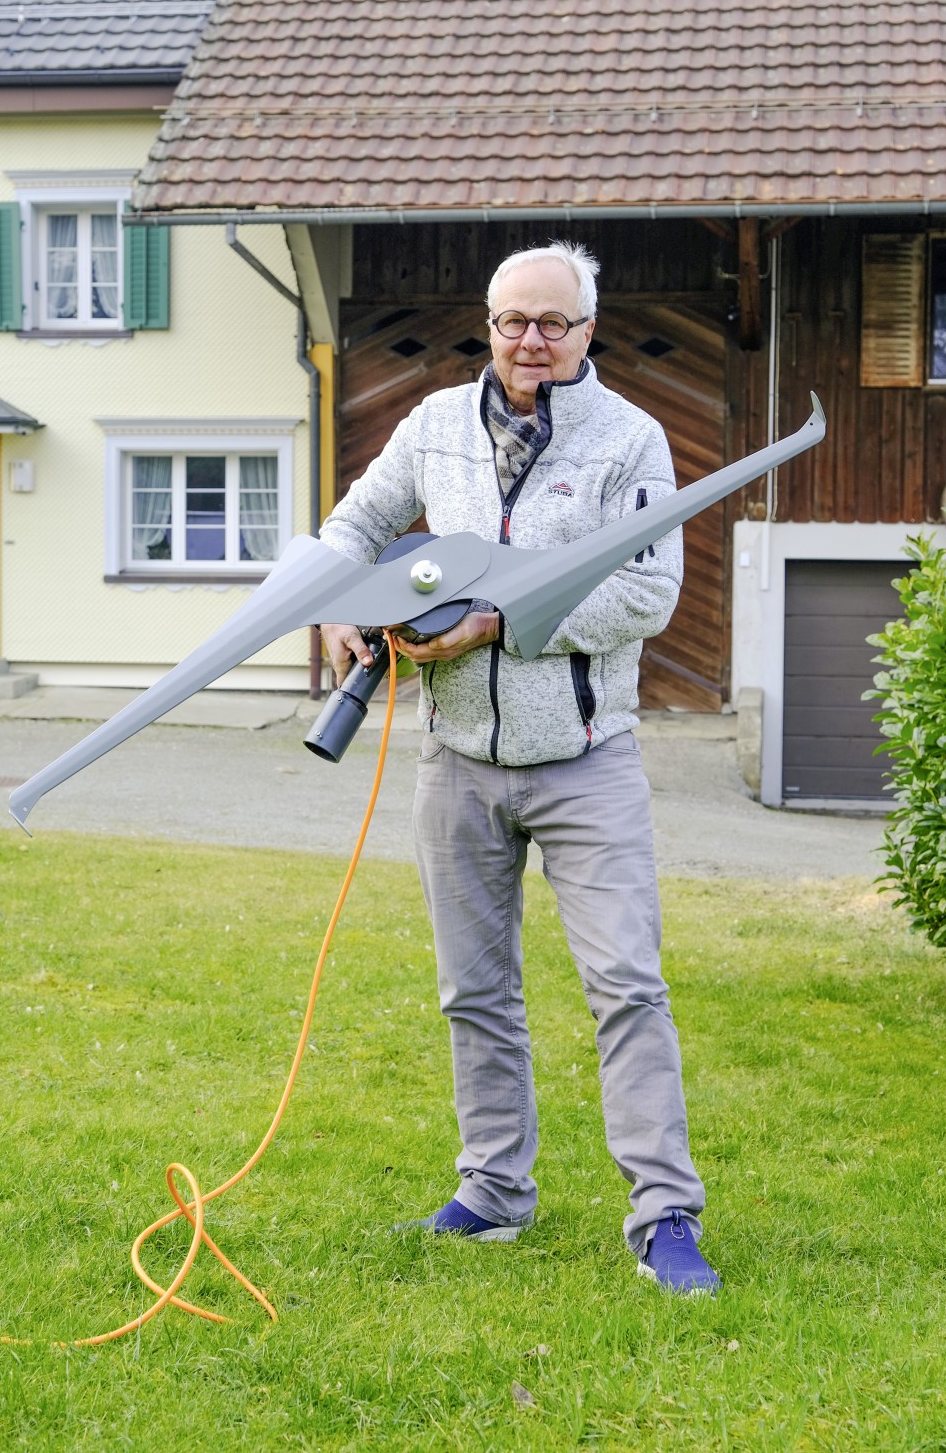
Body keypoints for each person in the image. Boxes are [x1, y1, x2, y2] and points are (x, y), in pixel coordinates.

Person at [320, 242, 719, 1295]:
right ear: (488, 324)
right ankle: (493, 1191)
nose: (529, 340)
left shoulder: (629, 440)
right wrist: (339, 601)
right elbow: (354, 524)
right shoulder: (433, 425)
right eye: (512, 321)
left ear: (588, 329)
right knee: (473, 990)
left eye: (552, 322)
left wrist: (497, 620)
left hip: (586, 761)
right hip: (454, 759)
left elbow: (646, 591)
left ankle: (663, 1215)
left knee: (626, 986)